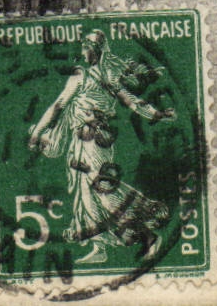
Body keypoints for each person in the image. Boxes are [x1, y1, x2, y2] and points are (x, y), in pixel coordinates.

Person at [28, 31, 176, 263]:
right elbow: (132, 102)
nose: (82, 52)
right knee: (85, 195)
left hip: (92, 142)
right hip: (84, 142)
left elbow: (58, 106)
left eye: (85, 47)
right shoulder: (106, 76)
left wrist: (37, 133)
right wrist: (156, 114)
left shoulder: (84, 76)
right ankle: (100, 248)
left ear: (95, 50)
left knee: (102, 190)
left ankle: (148, 235)